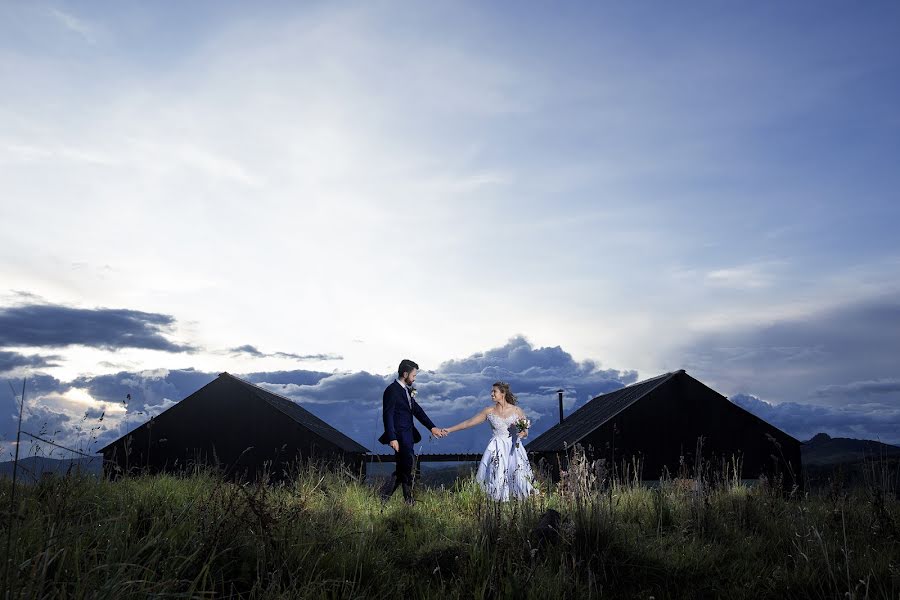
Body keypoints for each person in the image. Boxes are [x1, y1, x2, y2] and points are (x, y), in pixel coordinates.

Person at [442, 381, 537, 501]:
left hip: (514, 447)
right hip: (497, 447)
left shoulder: (517, 410)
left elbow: (525, 430)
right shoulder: (489, 411)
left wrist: (523, 433)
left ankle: (519, 503)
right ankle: (498, 501)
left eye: (494, 391)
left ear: (503, 393)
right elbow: (468, 423)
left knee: (518, 476)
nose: (491, 394)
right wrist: (449, 430)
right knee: (497, 475)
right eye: (491, 391)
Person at [378, 359, 446, 504]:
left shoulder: (406, 391)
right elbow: (387, 415)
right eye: (413, 376)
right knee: (408, 465)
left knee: (404, 467)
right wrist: (392, 437)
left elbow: (417, 411)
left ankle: (385, 498)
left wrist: (432, 427)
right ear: (405, 374)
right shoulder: (392, 390)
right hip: (399, 437)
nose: (414, 379)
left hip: (408, 436)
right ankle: (407, 500)